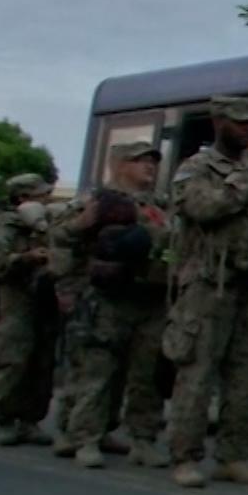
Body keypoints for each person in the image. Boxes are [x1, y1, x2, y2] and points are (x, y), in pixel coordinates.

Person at [165, 97, 248, 488]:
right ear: (218, 123)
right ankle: (185, 456)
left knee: (246, 375)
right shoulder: (197, 167)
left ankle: (233, 456)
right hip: (209, 286)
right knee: (197, 373)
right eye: (239, 123)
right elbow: (200, 208)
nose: (247, 129)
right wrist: (246, 192)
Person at [59, 142, 174, 469]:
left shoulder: (160, 206)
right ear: (120, 164)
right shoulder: (98, 200)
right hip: (108, 298)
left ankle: (143, 439)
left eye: (152, 161)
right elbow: (61, 239)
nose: (149, 166)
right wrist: (67, 286)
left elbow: (172, 245)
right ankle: (85, 437)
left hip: (151, 298)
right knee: (98, 371)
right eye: (140, 160)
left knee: (146, 375)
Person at [0, 174, 58, 446]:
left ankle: (30, 420)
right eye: (40, 195)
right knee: (13, 359)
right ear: (23, 199)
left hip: (46, 303)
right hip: (17, 301)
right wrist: (26, 258)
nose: (46, 199)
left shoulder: (48, 226)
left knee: (42, 363)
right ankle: (4, 419)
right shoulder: (8, 226)